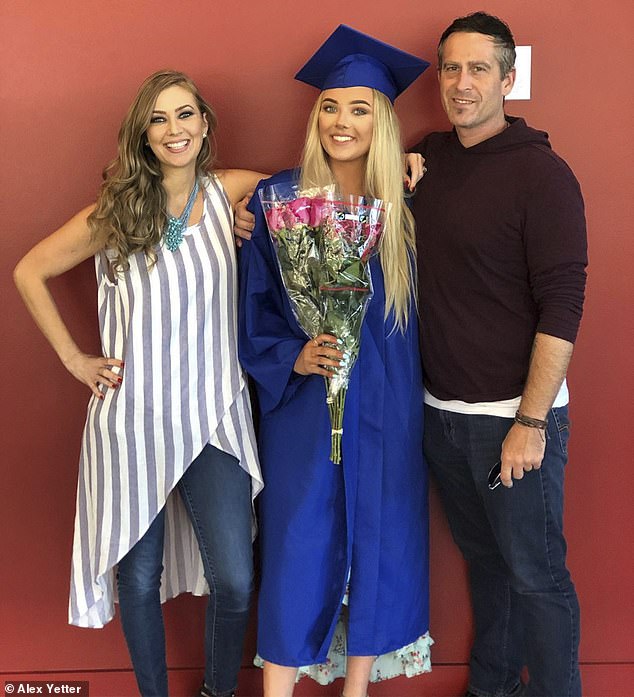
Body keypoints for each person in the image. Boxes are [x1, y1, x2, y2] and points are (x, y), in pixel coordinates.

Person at [13, 70, 266, 697]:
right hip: (132, 421)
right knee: (138, 578)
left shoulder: (234, 191)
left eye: (185, 115)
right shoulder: (115, 214)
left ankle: (216, 691)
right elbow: (28, 270)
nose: (174, 129)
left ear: (205, 123)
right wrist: (75, 359)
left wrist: (406, 162)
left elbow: (324, 183)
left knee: (235, 577)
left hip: (215, 415)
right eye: (159, 119)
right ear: (143, 134)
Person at [237, 25, 433, 697]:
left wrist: (419, 162)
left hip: (387, 409)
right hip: (304, 412)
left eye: (359, 108)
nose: (341, 121)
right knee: (298, 544)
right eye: (330, 106)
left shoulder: (410, 205)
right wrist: (293, 357)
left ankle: (357, 690)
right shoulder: (276, 201)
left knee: (381, 544)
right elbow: (255, 306)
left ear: (382, 121)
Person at [413, 12, 587, 697]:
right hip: (440, 418)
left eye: (478, 68)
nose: (461, 83)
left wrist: (532, 421)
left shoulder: (543, 176)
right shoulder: (429, 159)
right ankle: (491, 686)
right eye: (450, 68)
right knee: (487, 564)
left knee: (536, 574)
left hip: (513, 421)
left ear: (508, 79)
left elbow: (563, 308)